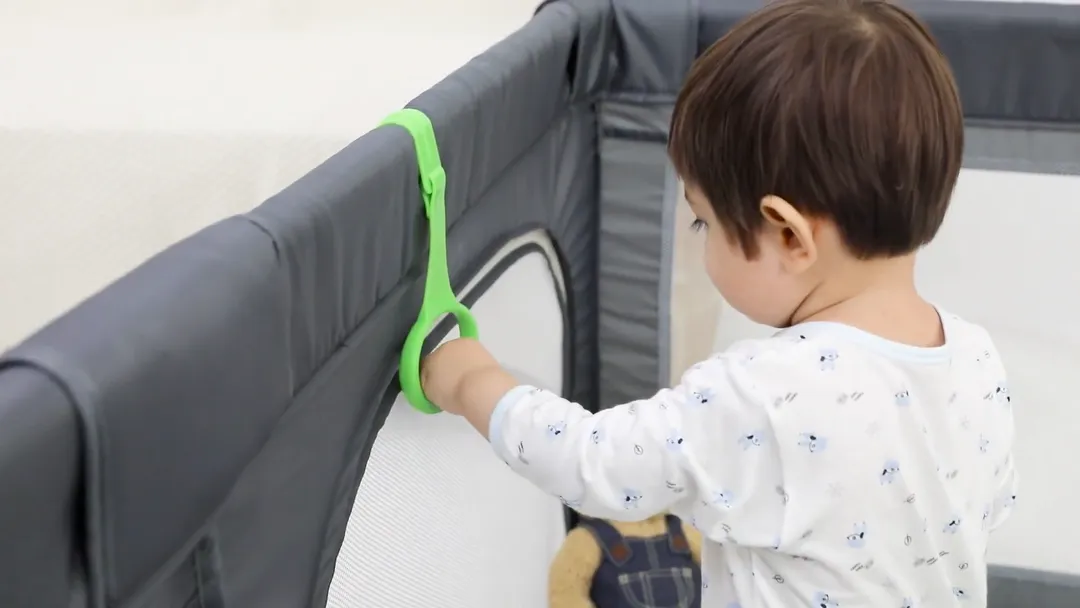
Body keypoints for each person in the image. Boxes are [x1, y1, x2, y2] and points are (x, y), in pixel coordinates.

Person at [420, 0, 1017, 605]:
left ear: (788, 236)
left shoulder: (767, 394)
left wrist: (474, 382)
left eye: (702, 223)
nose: (699, 244)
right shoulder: (977, 361)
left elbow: (597, 464)